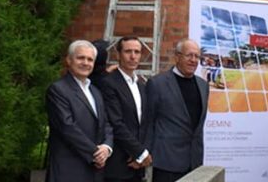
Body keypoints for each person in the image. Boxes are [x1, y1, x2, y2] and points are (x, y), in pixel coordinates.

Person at [46, 40, 114, 182]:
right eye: (80, 58)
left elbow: (106, 123)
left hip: (94, 171)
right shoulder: (58, 90)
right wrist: (95, 153)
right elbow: (67, 127)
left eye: (90, 59)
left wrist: (107, 147)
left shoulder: (95, 91)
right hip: (69, 169)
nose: (86, 63)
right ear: (69, 60)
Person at [145, 39, 209, 182]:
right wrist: (144, 153)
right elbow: (148, 121)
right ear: (177, 56)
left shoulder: (203, 85)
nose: (193, 60)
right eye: (189, 55)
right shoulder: (157, 84)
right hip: (166, 163)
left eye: (197, 56)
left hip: (194, 162)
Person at [99, 36, 152, 182]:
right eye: (128, 51)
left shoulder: (141, 85)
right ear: (118, 54)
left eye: (137, 52)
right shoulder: (109, 83)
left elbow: (145, 123)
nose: (133, 56)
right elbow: (116, 123)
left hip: (137, 166)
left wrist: (141, 154)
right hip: (118, 165)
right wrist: (139, 152)